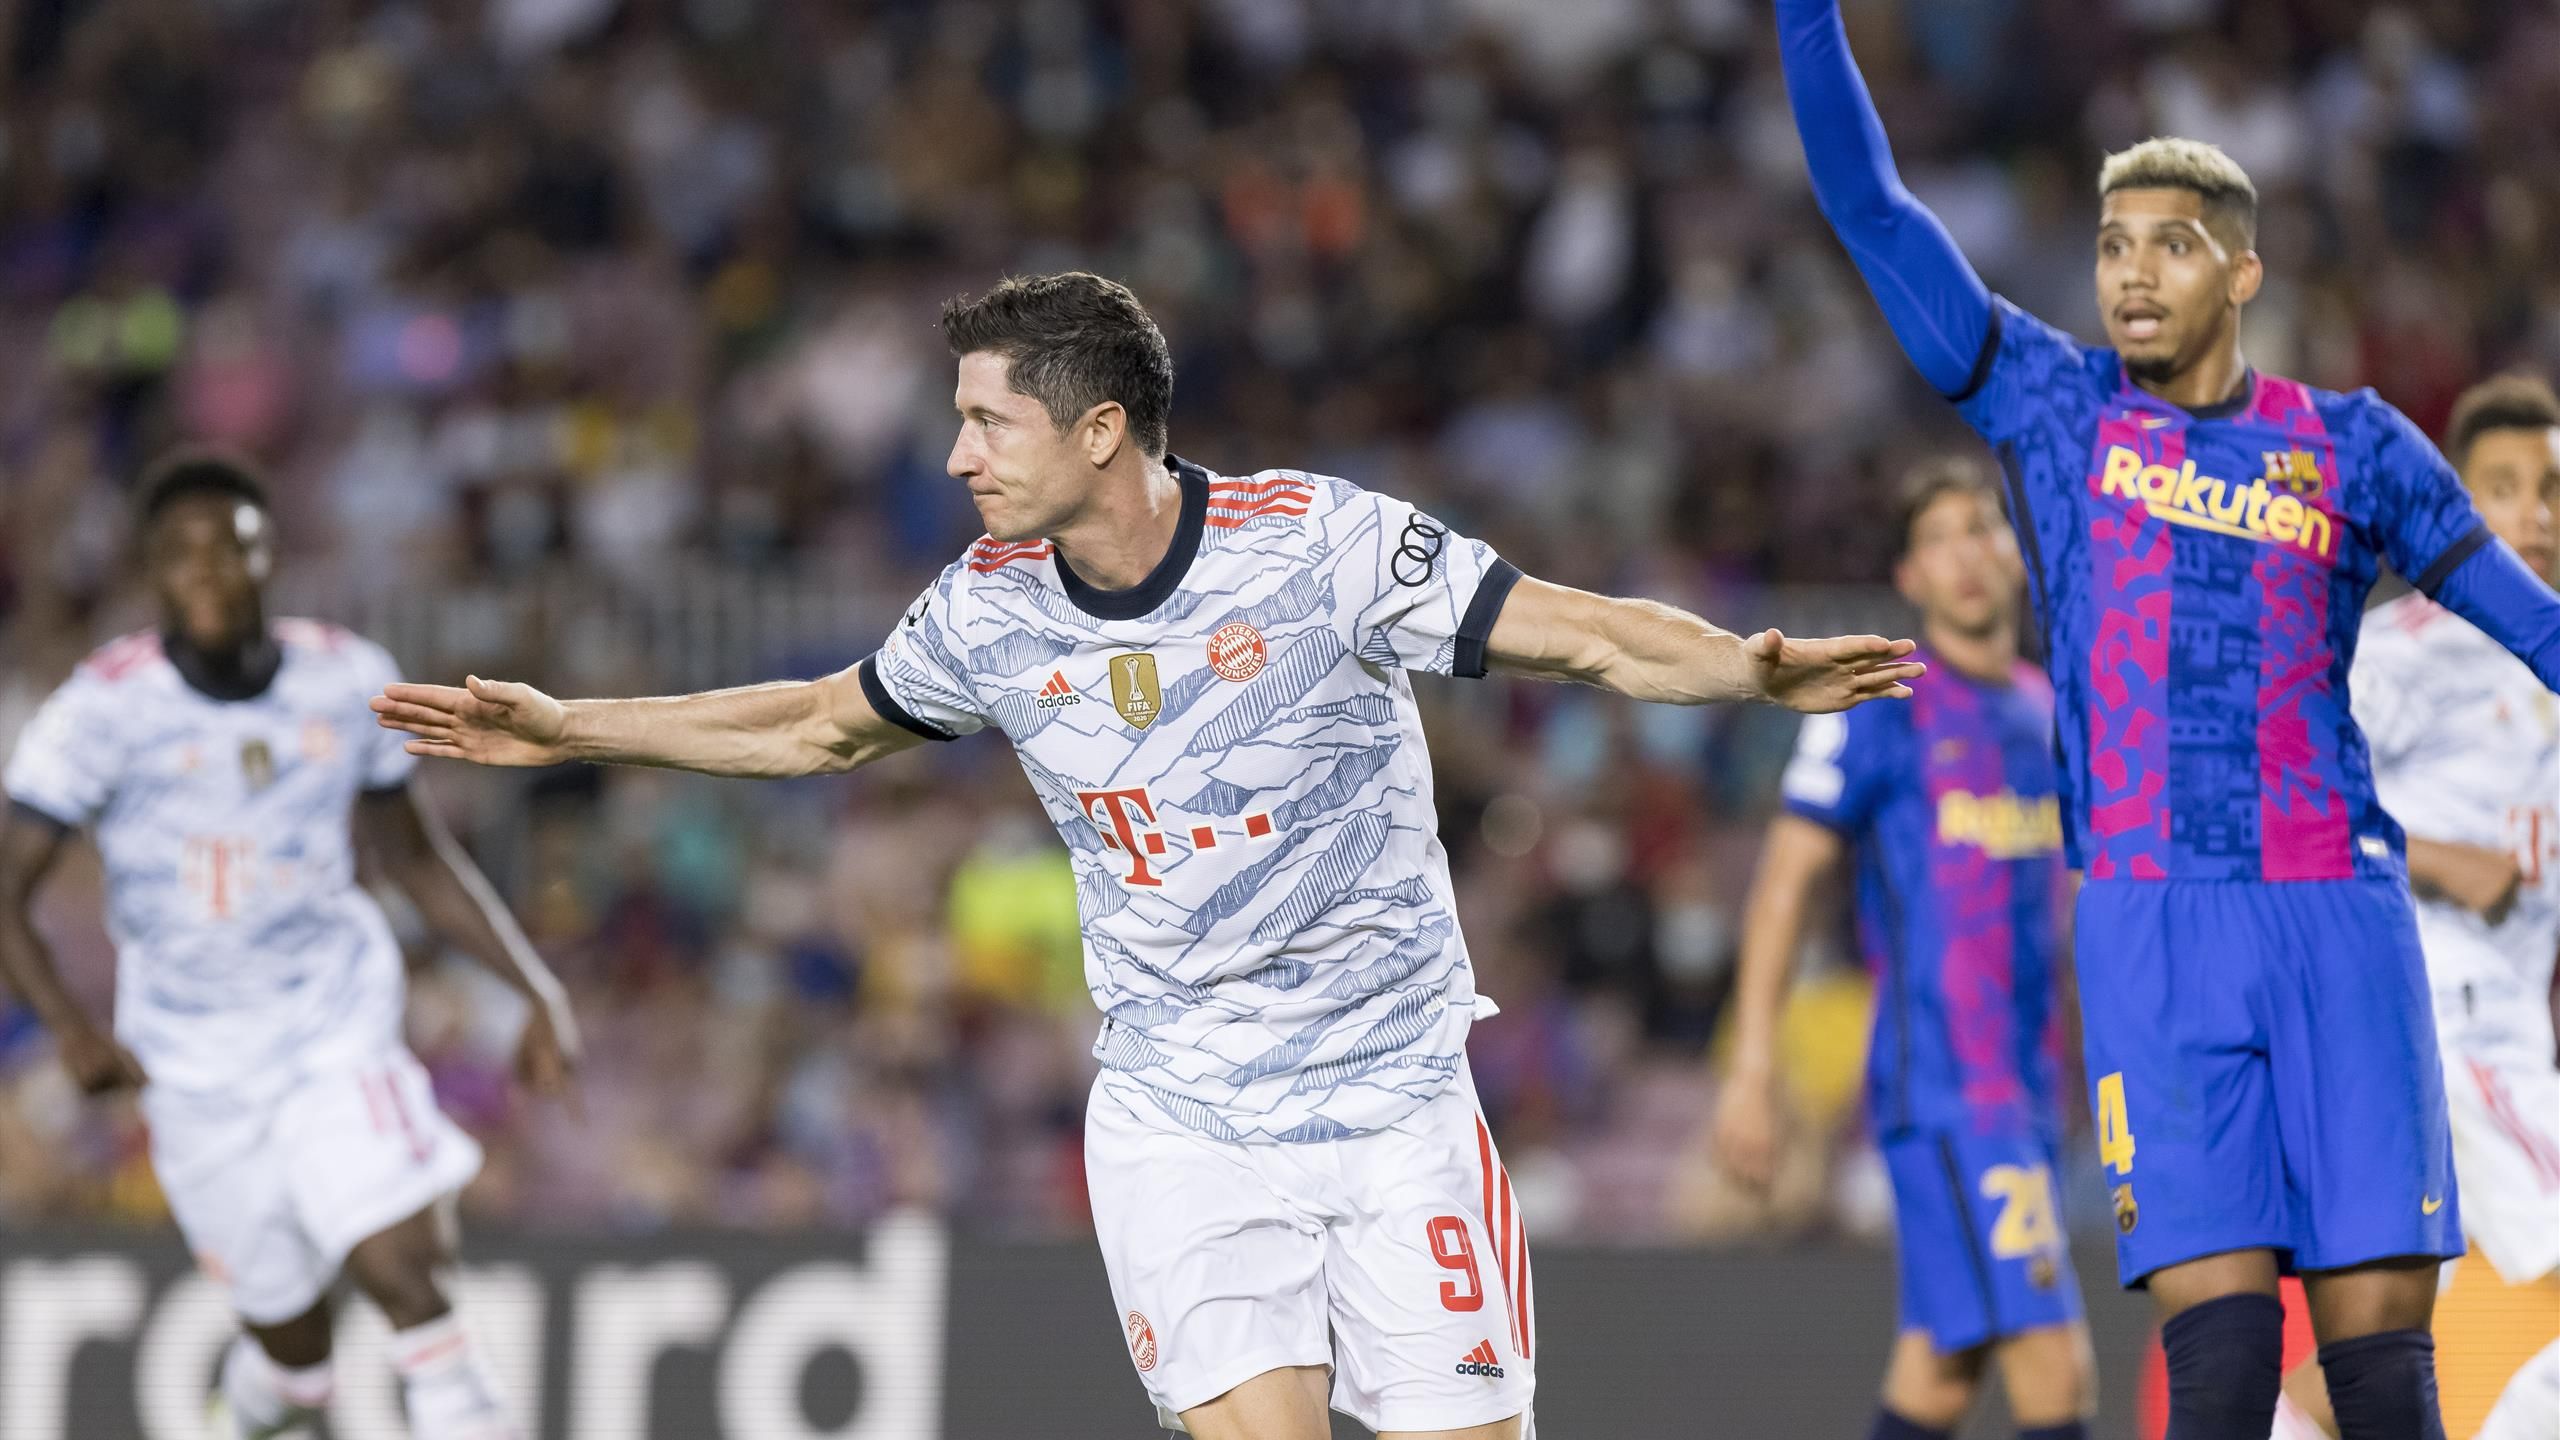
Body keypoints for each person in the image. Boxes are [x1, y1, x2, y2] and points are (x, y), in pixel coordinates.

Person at [370, 270, 1924, 1440]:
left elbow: (1575, 632)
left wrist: (1740, 669)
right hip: (1185, 1113)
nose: (961, 452)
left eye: (990, 418)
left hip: (1395, 1106)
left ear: (1098, 429)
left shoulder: (1317, 546)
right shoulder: (987, 608)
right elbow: (812, 727)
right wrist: (575, 730)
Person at [1770, 0, 2560, 1435]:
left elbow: (2542, 631)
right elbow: (1870, 209)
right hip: (2151, 921)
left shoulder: (2357, 444)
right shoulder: (2051, 406)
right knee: (2222, 1363)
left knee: (2385, 1371)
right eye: (2113, 245)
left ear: (2242, 270)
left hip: (2336, 910)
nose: (2133, 274)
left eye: (2173, 244)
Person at [0, 453, 580, 1440]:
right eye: (184, 556)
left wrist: (534, 989)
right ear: (153, 573)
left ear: (271, 560)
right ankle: (256, 1406)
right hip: (192, 1064)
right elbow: (7, 889)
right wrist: (70, 1030)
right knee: (294, 1351)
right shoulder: (101, 710)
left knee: (408, 1278)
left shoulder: (346, 677)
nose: (211, 571)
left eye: (234, 549)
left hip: (332, 1027)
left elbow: (416, 859)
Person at [1715, 459, 2094, 1440]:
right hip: (1944, 1089)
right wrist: (1750, 1069)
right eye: (1939, 538)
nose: (1966, 552)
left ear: (2018, 554)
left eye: (1982, 527)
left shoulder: (2049, 715)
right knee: (2055, 1371)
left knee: (1940, 1372)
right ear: (1910, 577)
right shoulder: (1881, 704)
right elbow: (1787, 878)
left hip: (2030, 1087)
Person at [2263, 375, 2560, 1440]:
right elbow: (2278, 794)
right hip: (2444, 1017)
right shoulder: (2406, 649)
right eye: (2504, 488)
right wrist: (2438, 858)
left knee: (2374, 1341)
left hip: (2487, 1026)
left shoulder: (2541, 653)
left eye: (2551, 487)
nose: (2534, 512)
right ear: (2459, 506)